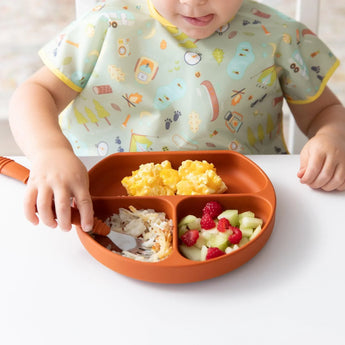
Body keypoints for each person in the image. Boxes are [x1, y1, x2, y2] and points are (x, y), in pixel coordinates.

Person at [8, 0, 345, 233]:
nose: (194, 2)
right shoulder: (106, 25)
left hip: (242, 203)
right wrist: (50, 152)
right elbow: (36, 93)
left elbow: (326, 112)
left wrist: (333, 136)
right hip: (100, 198)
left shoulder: (278, 36)